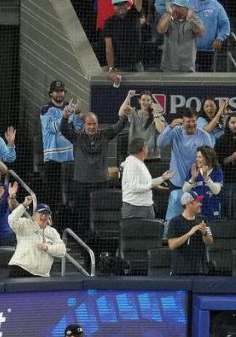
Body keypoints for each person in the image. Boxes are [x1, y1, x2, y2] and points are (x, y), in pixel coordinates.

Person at [61, 95, 131, 230]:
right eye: (89, 124)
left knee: (101, 217)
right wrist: (65, 117)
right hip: (81, 184)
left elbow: (118, 127)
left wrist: (125, 116)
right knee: (83, 216)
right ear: (84, 125)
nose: (92, 126)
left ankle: (98, 245)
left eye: (94, 124)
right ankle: (83, 246)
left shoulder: (105, 135)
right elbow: (64, 130)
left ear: (97, 124)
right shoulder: (77, 138)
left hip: (101, 183)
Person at [157, 106, 215, 221]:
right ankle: (172, 234)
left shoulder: (204, 136)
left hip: (196, 182)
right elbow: (160, 143)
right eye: (188, 121)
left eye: (194, 121)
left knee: (195, 213)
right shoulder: (175, 132)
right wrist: (169, 127)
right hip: (177, 181)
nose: (191, 124)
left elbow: (210, 158)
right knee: (176, 213)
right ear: (182, 121)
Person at [40, 80, 79, 206]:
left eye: (61, 91)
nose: (59, 94)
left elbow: (77, 128)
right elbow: (52, 128)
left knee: (69, 196)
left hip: (69, 158)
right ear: (51, 93)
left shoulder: (69, 107)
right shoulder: (46, 109)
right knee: (52, 195)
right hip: (52, 158)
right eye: (56, 91)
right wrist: (65, 115)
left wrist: (77, 114)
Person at [8, 198, 66, 278]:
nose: (44, 216)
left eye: (46, 214)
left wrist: (47, 248)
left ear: (49, 216)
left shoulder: (53, 232)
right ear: (34, 215)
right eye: (41, 213)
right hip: (21, 269)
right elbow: (11, 220)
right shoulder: (25, 224)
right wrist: (24, 205)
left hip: (41, 275)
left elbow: (62, 251)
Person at [121, 137, 172, 220]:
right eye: (147, 147)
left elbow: (146, 183)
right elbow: (134, 188)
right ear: (143, 149)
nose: (148, 150)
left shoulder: (139, 163)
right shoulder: (132, 164)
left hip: (146, 206)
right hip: (135, 209)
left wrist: (162, 178)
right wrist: (152, 186)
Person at [166, 192, 214, 275]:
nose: (200, 204)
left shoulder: (203, 219)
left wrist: (204, 233)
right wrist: (189, 233)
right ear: (189, 204)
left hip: (200, 269)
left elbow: (210, 242)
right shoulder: (175, 222)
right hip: (180, 269)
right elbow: (172, 245)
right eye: (198, 202)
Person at [104, 0, 148, 80]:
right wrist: (111, 69)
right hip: (119, 67)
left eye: (123, 3)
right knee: (120, 92)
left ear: (127, 4)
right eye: (117, 4)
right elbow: (109, 48)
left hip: (137, 64)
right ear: (113, 6)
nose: (121, 6)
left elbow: (138, 2)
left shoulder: (134, 14)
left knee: (140, 90)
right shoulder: (109, 23)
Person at [157, 0, 205, 72]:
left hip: (187, 67)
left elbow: (201, 33)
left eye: (178, 7)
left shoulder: (194, 19)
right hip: (168, 66)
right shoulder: (168, 17)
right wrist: (169, 15)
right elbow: (161, 30)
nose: (174, 9)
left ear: (186, 9)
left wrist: (191, 20)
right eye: (173, 6)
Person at [181, 146, 224, 221]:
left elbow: (216, 191)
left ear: (208, 158)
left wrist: (206, 178)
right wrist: (193, 178)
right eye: (196, 157)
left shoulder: (217, 171)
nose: (197, 159)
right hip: (195, 210)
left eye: (200, 157)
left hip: (211, 209)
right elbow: (184, 190)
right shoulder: (194, 170)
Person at [129, 92, 166, 162]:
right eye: (143, 100)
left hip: (153, 156)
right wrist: (128, 97)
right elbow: (120, 113)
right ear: (139, 100)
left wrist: (155, 113)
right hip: (137, 155)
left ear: (151, 102)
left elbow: (161, 130)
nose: (145, 102)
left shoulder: (157, 115)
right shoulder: (134, 113)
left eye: (148, 100)